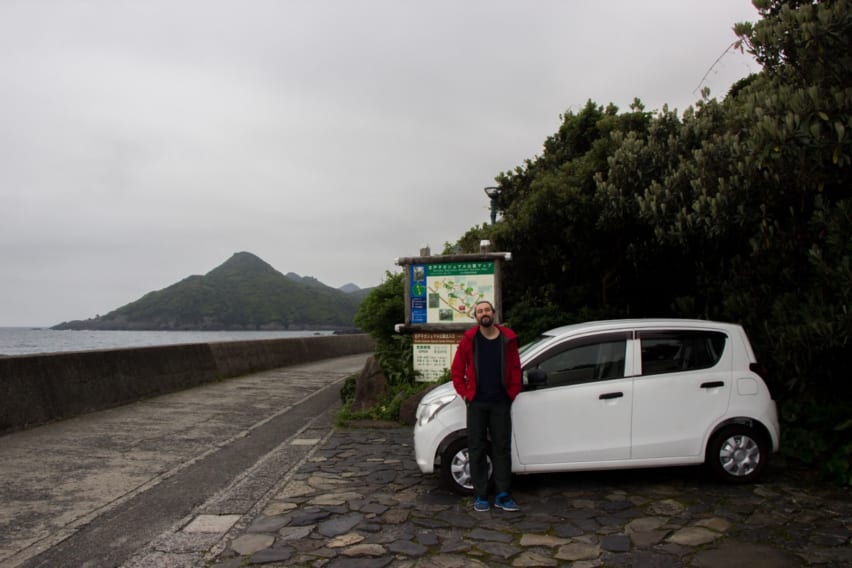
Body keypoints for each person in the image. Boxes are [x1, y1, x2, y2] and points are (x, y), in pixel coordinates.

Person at [451, 300, 522, 512]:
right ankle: (480, 495)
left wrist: (512, 392)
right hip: (477, 403)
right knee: (477, 448)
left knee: (502, 448)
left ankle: (502, 494)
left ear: (493, 313)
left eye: (487, 310)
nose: (484, 314)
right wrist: (466, 394)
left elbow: (517, 369)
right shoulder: (469, 339)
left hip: (501, 402)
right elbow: (457, 370)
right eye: (480, 311)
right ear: (476, 317)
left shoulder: (507, 339)